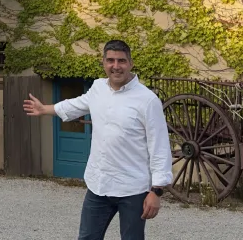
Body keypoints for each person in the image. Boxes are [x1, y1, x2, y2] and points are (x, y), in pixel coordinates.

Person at [23, 39, 173, 240]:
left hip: (133, 189)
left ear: (130, 63)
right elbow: (76, 105)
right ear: (103, 63)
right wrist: (45, 109)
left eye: (121, 61)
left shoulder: (148, 100)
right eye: (110, 60)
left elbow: (160, 147)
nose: (116, 66)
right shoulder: (98, 88)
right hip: (99, 185)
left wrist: (157, 191)